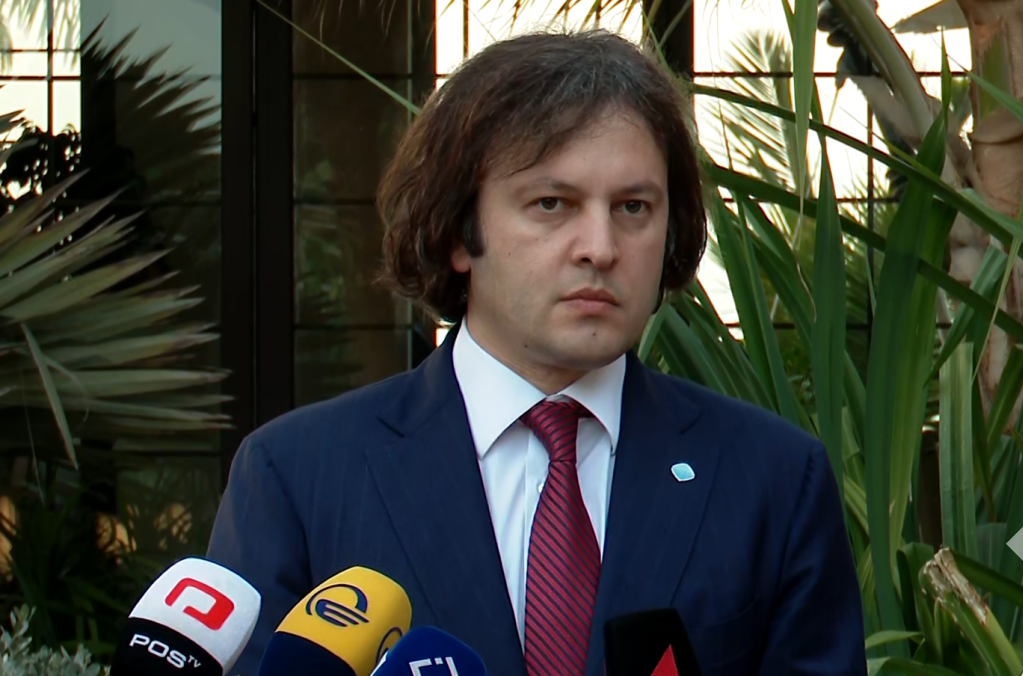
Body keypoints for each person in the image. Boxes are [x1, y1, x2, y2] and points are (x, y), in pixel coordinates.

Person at [206, 28, 866, 676]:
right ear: (458, 233)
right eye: (552, 203)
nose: (600, 248)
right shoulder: (298, 477)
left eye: (634, 208)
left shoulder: (774, 480)